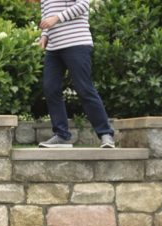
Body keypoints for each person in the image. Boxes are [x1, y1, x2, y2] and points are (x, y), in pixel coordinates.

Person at [37, 0, 115, 149]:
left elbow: (83, 5)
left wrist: (57, 18)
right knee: (50, 88)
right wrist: (45, 35)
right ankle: (61, 135)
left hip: (77, 43)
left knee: (84, 89)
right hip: (54, 48)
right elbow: (47, 14)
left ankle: (106, 134)